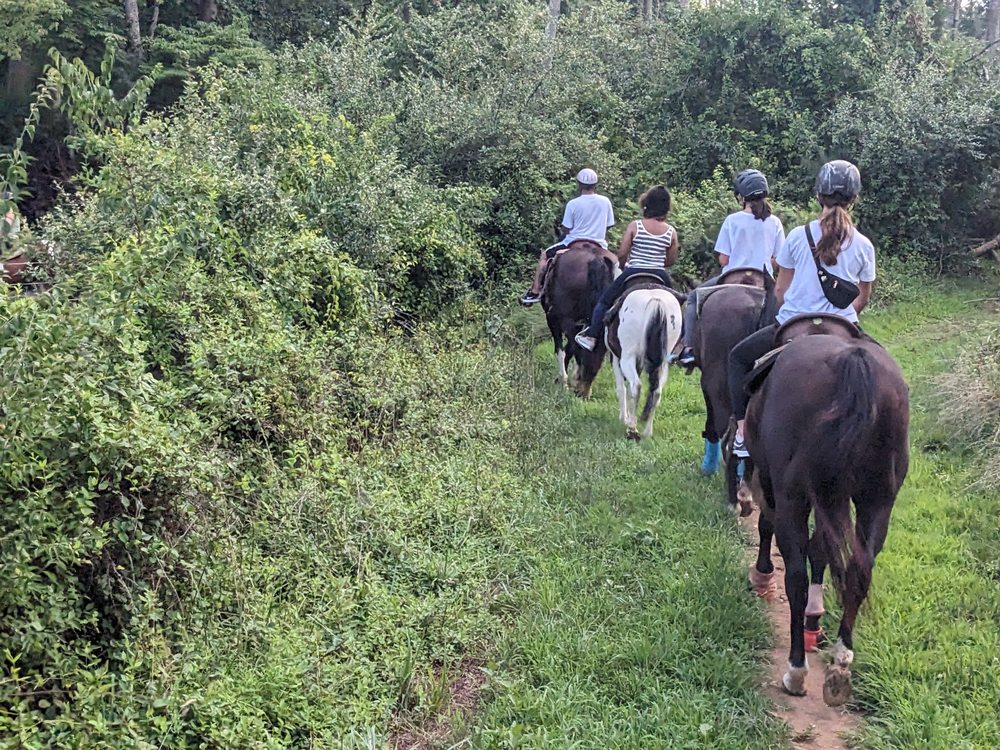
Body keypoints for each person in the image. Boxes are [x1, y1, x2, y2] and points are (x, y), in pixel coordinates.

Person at [727, 160, 875, 458]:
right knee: (886, 373)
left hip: (795, 322)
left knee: (737, 359)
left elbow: (780, 290)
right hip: (842, 325)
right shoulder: (863, 244)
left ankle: (742, 434)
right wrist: (844, 318)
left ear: (818, 196)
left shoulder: (797, 236)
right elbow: (862, 298)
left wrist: (792, 314)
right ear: (854, 199)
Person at [677, 169, 784, 367]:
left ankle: (688, 348)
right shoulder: (775, 222)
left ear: (741, 197)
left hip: (733, 278)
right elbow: (778, 260)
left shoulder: (732, 221)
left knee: (692, 298)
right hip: (763, 279)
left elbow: (724, 260)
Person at [574, 185, 678, 351]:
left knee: (604, 301)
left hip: (634, 271)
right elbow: (671, 260)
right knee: (676, 305)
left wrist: (623, 266)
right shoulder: (671, 232)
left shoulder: (635, 226)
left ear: (647, 205)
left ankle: (592, 336)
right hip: (660, 274)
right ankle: (679, 344)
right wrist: (656, 263)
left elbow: (622, 253)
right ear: (666, 207)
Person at [519, 168, 615, 306]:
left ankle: (534, 291)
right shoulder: (605, 201)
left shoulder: (573, 203)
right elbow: (609, 225)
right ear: (596, 185)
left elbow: (566, 228)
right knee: (616, 264)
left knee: (545, 256)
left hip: (574, 243)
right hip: (599, 245)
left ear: (579, 185)